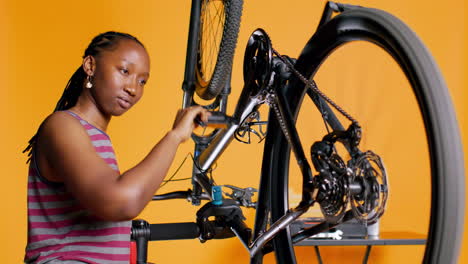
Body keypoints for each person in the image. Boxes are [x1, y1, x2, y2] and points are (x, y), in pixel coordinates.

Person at [23, 31, 210, 264]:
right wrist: (174, 137)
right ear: (90, 65)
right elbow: (122, 202)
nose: (133, 88)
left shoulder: (95, 137)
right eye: (124, 71)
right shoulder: (62, 126)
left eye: (142, 81)